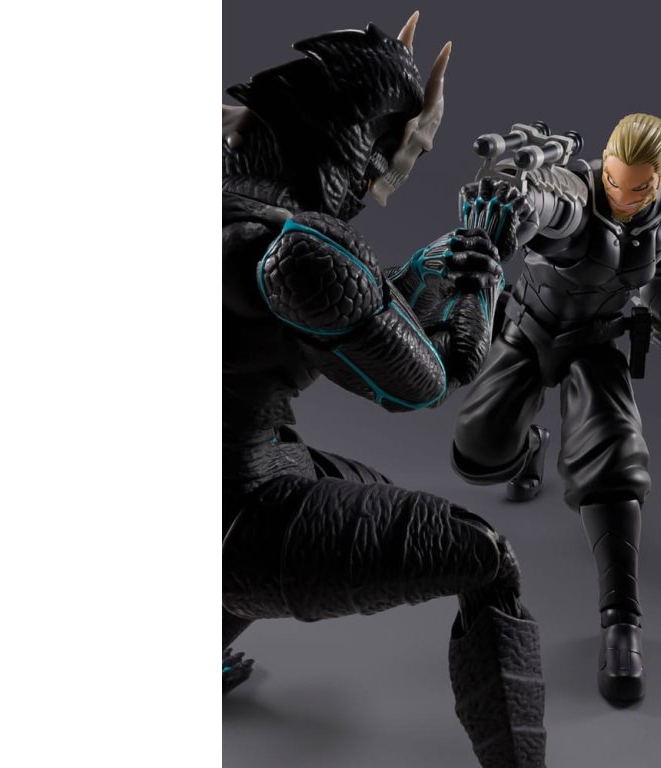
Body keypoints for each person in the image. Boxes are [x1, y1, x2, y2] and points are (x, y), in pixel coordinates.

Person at [222, 15, 544, 767]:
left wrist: (420, 274)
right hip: (237, 514)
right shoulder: (297, 251)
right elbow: (428, 381)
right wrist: (484, 267)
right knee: (484, 559)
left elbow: (321, 323)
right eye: (407, 150)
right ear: (365, 143)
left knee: (363, 489)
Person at [452, 113, 661, 704]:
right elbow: (557, 210)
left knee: (615, 461)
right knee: (476, 452)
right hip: (529, 331)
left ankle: (621, 622)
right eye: (614, 181)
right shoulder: (578, 194)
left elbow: (658, 278)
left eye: (638, 186)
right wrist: (522, 196)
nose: (621, 196)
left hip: (594, 344)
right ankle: (529, 447)